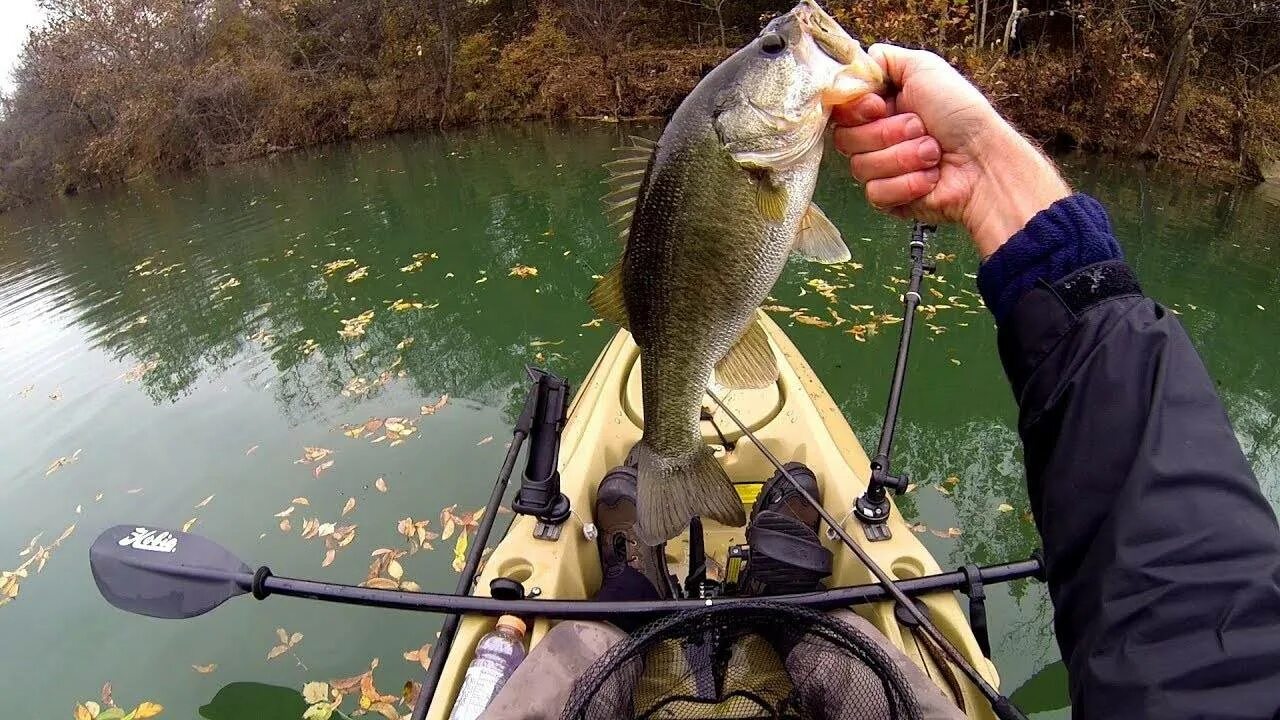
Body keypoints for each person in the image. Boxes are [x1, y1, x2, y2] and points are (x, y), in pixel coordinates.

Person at [484, 42, 1280, 720]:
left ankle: (626, 600)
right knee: (872, 669)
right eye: (775, 50)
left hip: (714, 295)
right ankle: (790, 610)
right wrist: (1000, 178)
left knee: (576, 660)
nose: (792, 37)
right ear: (734, 123)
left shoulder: (757, 151)